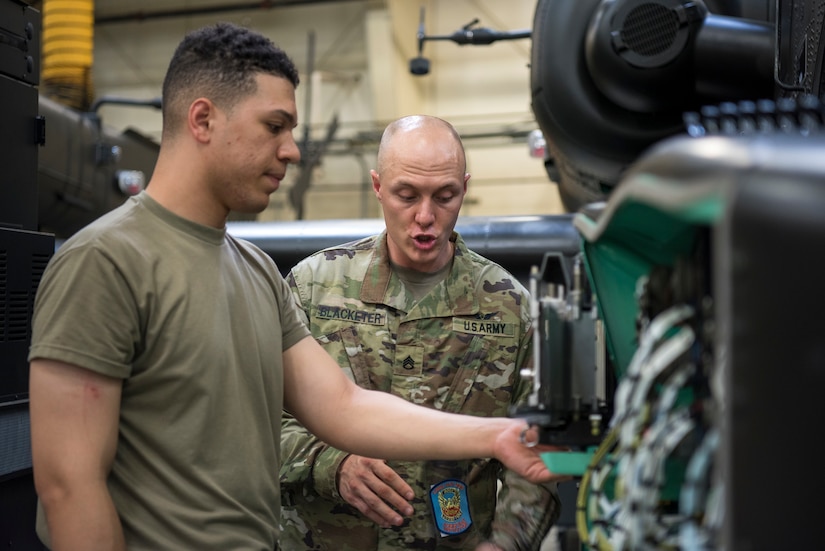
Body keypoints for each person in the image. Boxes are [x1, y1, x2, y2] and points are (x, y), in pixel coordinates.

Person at [27, 22, 565, 551]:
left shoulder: (255, 272)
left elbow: (345, 407)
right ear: (203, 119)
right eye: (275, 126)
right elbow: (69, 489)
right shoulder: (104, 263)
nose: (292, 150)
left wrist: (495, 436)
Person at [280, 115, 561, 551]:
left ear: (464, 188)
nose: (425, 217)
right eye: (406, 195)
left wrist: (507, 543)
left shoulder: (509, 307)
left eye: (445, 196)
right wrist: (330, 464)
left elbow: (537, 451)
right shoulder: (314, 287)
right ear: (377, 186)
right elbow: (258, 421)